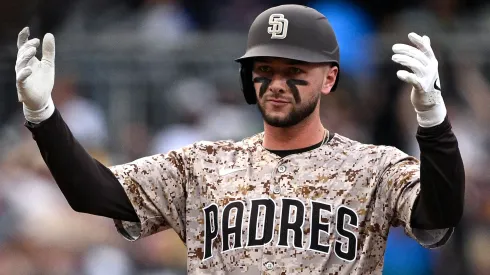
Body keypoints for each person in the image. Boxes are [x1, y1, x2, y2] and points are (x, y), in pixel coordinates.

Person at [13, 4, 464, 275]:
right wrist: (44, 116)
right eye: (264, 71)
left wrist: (433, 121)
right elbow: (95, 193)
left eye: (294, 72)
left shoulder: (373, 167)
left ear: (329, 78)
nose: (277, 84)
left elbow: (439, 213)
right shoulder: (203, 164)